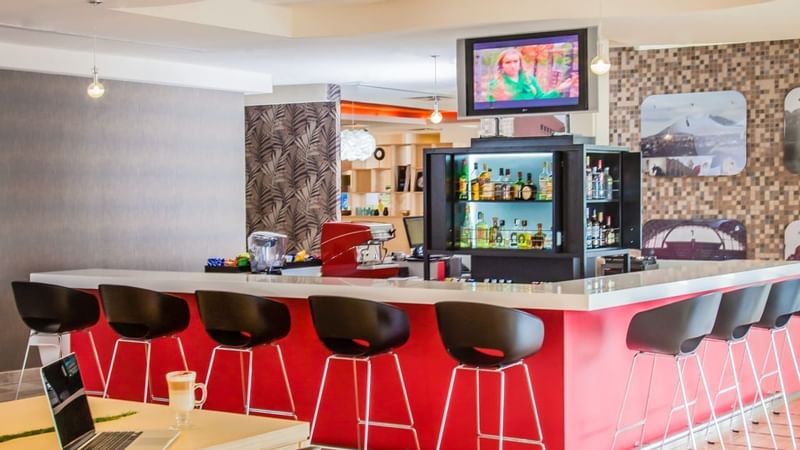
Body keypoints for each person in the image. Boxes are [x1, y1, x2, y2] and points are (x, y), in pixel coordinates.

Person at [486, 48, 574, 102]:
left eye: (515, 61)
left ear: (520, 63)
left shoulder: (530, 80)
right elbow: (490, 111)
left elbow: (541, 100)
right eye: (508, 62)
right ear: (502, 65)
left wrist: (558, 89)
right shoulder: (494, 85)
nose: (512, 65)